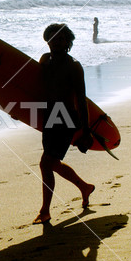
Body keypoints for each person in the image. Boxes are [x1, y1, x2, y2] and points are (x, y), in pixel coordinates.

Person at [33, 24, 95, 224]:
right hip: (50, 115)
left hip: (67, 117)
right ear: (47, 40)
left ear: (68, 42)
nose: (56, 42)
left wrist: (85, 131)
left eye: (61, 39)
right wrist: (19, 109)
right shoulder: (45, 60)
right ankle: (84, 187)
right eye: (53, 38)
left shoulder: (73, 66)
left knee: (46, 163)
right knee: (50, 163)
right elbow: (36, 89)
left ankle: (45, 210)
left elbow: (81, 99)